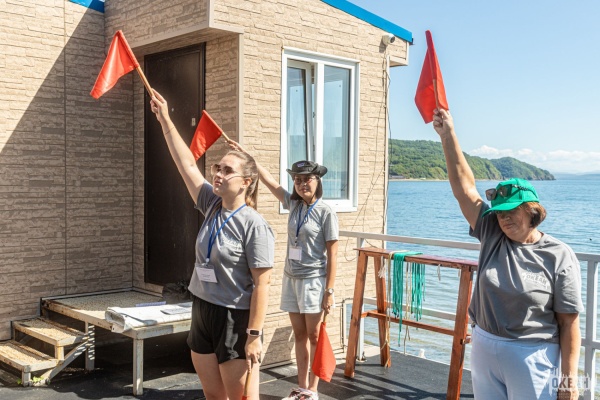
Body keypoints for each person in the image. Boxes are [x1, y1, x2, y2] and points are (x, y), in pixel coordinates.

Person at [432, 108, 583, 400]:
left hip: (533, 355)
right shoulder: (491, 232)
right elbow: (464, 189)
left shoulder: (559, 255)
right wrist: (448, 135)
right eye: (500, 211)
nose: (503, 218)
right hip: (485, 346)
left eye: (512, 210)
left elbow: (569, 323)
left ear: (532, 211)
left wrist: (568, 382)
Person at [150, 90, 274, 400]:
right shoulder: (211, 203)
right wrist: (165, 119)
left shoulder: (254, 225)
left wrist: (254, 335)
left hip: (234, 317)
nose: (218, 174)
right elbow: (186, 166)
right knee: (213, 396)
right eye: (217, 168)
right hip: (202, 309)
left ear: (246, 182)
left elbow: (263, 285)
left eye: (227, 171)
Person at [228, 141, 338, 400]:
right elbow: (269, 181)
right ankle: (301, 387)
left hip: (314, 281)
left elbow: (333, 254)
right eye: (297, 180)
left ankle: (313, 390)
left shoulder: (326, 212)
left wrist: (329, 291)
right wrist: (249, 157)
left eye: (307, 179)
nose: (302, 184)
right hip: (291, 279)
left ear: (317, 181)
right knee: (299, 335)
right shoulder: (294, 204)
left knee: (314, 335)